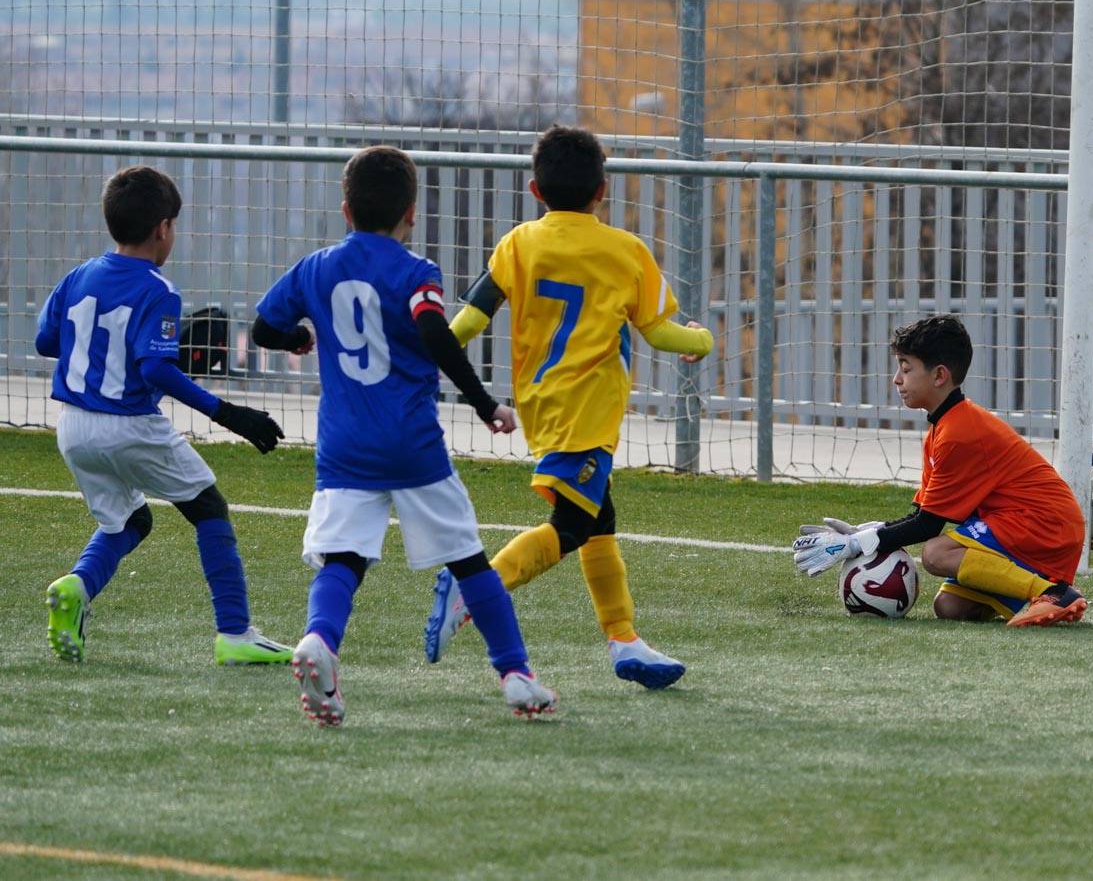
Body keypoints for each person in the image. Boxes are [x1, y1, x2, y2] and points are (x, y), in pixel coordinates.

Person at [252, 145, 556, 726]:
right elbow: (435, 334)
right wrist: (485, 402)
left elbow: (264, 325)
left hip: (344, 447)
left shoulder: (315, 268)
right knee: (469, 561)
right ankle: (516, 675)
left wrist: (296, 340)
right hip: (413, 445)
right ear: (410, 213)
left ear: (346, 209)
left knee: (341, 559)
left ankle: (319, 639)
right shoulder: (417, 272)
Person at [429, 124, 714, 689]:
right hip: (586, 413)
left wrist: (426, 348)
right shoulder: (625, 251)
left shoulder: (518, 243)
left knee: (599, 519)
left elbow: (470, 318)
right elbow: (659, 332)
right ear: (602, 190)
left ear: (535, 190)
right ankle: (478, 583)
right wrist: (702, 340)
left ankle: (625, 639)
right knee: (572, 524)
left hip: (542, 408)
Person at [35, 165, 295, 665]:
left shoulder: (78, 275)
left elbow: (48, 341)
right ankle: (235, 633)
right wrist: (228, 412)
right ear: (163, 228)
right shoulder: (159, 289)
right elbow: (155, 367)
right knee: (209, 508)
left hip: (72, 426)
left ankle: (77, 586)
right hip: (128, 424)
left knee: (130, 520)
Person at [792, 315, 1088, 627]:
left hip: (1043, 524)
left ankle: (1052, 594)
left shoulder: (959, 432)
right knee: (950, 607)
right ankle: (1041, 597)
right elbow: (921, 514)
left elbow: (929, 527)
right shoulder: (942, 429)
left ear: (939, 376)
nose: (896, 378)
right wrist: (866, 533)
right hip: (1026, 525)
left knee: (936, 554)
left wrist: (859, 544)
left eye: (906, 368)